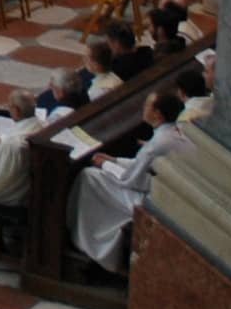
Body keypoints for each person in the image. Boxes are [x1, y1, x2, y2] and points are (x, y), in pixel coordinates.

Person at [68, 87, 190, 271]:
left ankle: (91, 245)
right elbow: (139, 164)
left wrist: (104, 165)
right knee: (96, 176)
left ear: (157, 114)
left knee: (89, 176)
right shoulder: (174, 132)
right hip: (160, 192)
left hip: (148, 200)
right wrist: (114, 160)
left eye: (147, 105)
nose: (143, 108)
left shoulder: (157, 143)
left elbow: (130, 180)